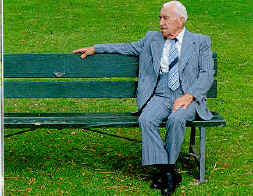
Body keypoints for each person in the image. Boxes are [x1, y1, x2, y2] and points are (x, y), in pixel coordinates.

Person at [73, 1, 214, 195]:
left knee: (176, 118)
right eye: (160, 18)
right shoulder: (152, 39)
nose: (161, 22)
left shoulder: (200, 42)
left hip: (187, 97)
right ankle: (169, 172)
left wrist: (188, 96)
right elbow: (127, 47)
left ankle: (167, 171)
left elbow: (207, 74)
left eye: (166, 18)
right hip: (160, 95)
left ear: (181, 20)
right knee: (146, 120)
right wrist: (97, 48)